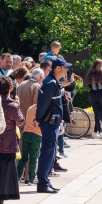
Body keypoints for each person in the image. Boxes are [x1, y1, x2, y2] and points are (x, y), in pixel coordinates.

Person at [35, 57, 71, 193]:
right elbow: (44, 103)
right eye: (65, 67)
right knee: (47, 152)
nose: (67, 70)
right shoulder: (51, 83)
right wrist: (38, 119)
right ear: (58, 68)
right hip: (49, 123)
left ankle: (45, 181)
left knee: (51, 152)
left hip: (52, 122)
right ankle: (43, 183)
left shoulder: (52, 82)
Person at [85, 60, 102, 139]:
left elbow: (89, 85)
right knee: (100, 114)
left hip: (93, 95)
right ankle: (100, 131)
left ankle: (94, 132)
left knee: (97, 114)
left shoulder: (90, 74)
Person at [18, 102, 41, 184]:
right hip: (36, 135)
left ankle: (18, 176)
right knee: (33, 158)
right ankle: (31, 179)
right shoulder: (42, 109)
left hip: (26, 133)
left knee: (24, 157)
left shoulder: (31, 108)